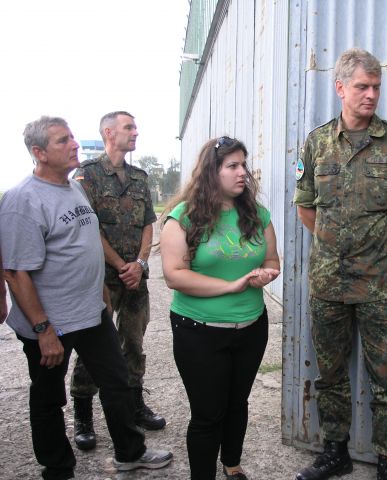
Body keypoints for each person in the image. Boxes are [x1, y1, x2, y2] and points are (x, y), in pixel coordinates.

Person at [0, 116, 172, 480]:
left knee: (117, 381)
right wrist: (43, 329)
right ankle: (58, 468)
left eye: (72, 137)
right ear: (39, 152)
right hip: (52, 323)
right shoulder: (22, 200)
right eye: (63, 140)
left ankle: (130, 452)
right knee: (49, 398)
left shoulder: (73, 189)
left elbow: (85, 246)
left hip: (92, 312)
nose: (75, 144)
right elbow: (16, 272)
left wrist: (102, 295)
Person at [293, 48, 387, 480]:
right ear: (340, 88)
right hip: (328, 281)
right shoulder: (316, 142)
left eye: (376, 87)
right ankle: (336, 452)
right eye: (362, 87)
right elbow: (305, 205)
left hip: (382, 284)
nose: (371, 95)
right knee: (330, 373)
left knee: (386, 377)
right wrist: (335, 245)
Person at [160, 136, 280, 480]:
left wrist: (266, 274)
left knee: (237, 403)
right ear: (212, 172)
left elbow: (272, 259)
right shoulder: (183, 218)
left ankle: (232, 464)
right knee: (208, 415)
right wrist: (231, 286)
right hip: (199, 331)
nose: (243, 172)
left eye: (244, 165)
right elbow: (174, 275)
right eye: (233, 166)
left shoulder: (257, 215)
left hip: (251, 327)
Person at [69, 111, 165, 451]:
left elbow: (148, 223)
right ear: (109, 133)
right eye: (129, 127)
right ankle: (83, 415)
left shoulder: (139, 177)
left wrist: (139, 263)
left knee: (134, 342)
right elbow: (87, 227)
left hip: (135, 278)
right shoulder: (87, 175)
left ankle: (135, 405)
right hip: (102, 280)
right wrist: (121, 265)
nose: (136, 132)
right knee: (95, 347)